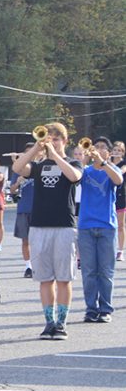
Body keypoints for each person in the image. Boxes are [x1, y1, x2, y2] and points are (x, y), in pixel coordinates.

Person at [11, 122, 82, 341]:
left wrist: (55, 155)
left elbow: (74, 177)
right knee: (44, 279)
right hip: (39, 226)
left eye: (56, 138)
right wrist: (36, 149)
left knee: (63, 278)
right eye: (48, 138)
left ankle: (61, 323)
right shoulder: (39, 165)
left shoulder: (73, 162)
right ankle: (49, 322)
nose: (52, 141)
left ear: (65, 141)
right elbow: (18, 168)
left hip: (64, 226)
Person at [77, 138, 122, 323]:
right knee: (88, 272)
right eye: (96, 147)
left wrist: (103, 163)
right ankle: (91, 308)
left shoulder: (113, 170)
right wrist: (85, 159)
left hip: (107, 226)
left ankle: (105, 308)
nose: (98, 150)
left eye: (103, 148)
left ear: (109, 153)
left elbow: (118, 180)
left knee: (106, 271)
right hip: (86, 225)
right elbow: (75, 176)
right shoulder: (85, 171)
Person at [9, 144, 37, 278]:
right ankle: (28, 266)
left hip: (38, 208)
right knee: (25, 240)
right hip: (24, 208)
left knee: (38, 240)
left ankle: (38, 264)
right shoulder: (18, 170)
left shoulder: (39, 168)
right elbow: (12, 190)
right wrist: (18, 182)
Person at [111, 141, 126, 261]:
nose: (116, 152)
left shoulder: (124, 164)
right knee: (108, 225)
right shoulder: (106, 163)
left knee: (120, 225)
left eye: (119, 150)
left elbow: (120, 172)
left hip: (121, 196)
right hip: (108, 197)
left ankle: (120, 250)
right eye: (115, 150)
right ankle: (110, 248)